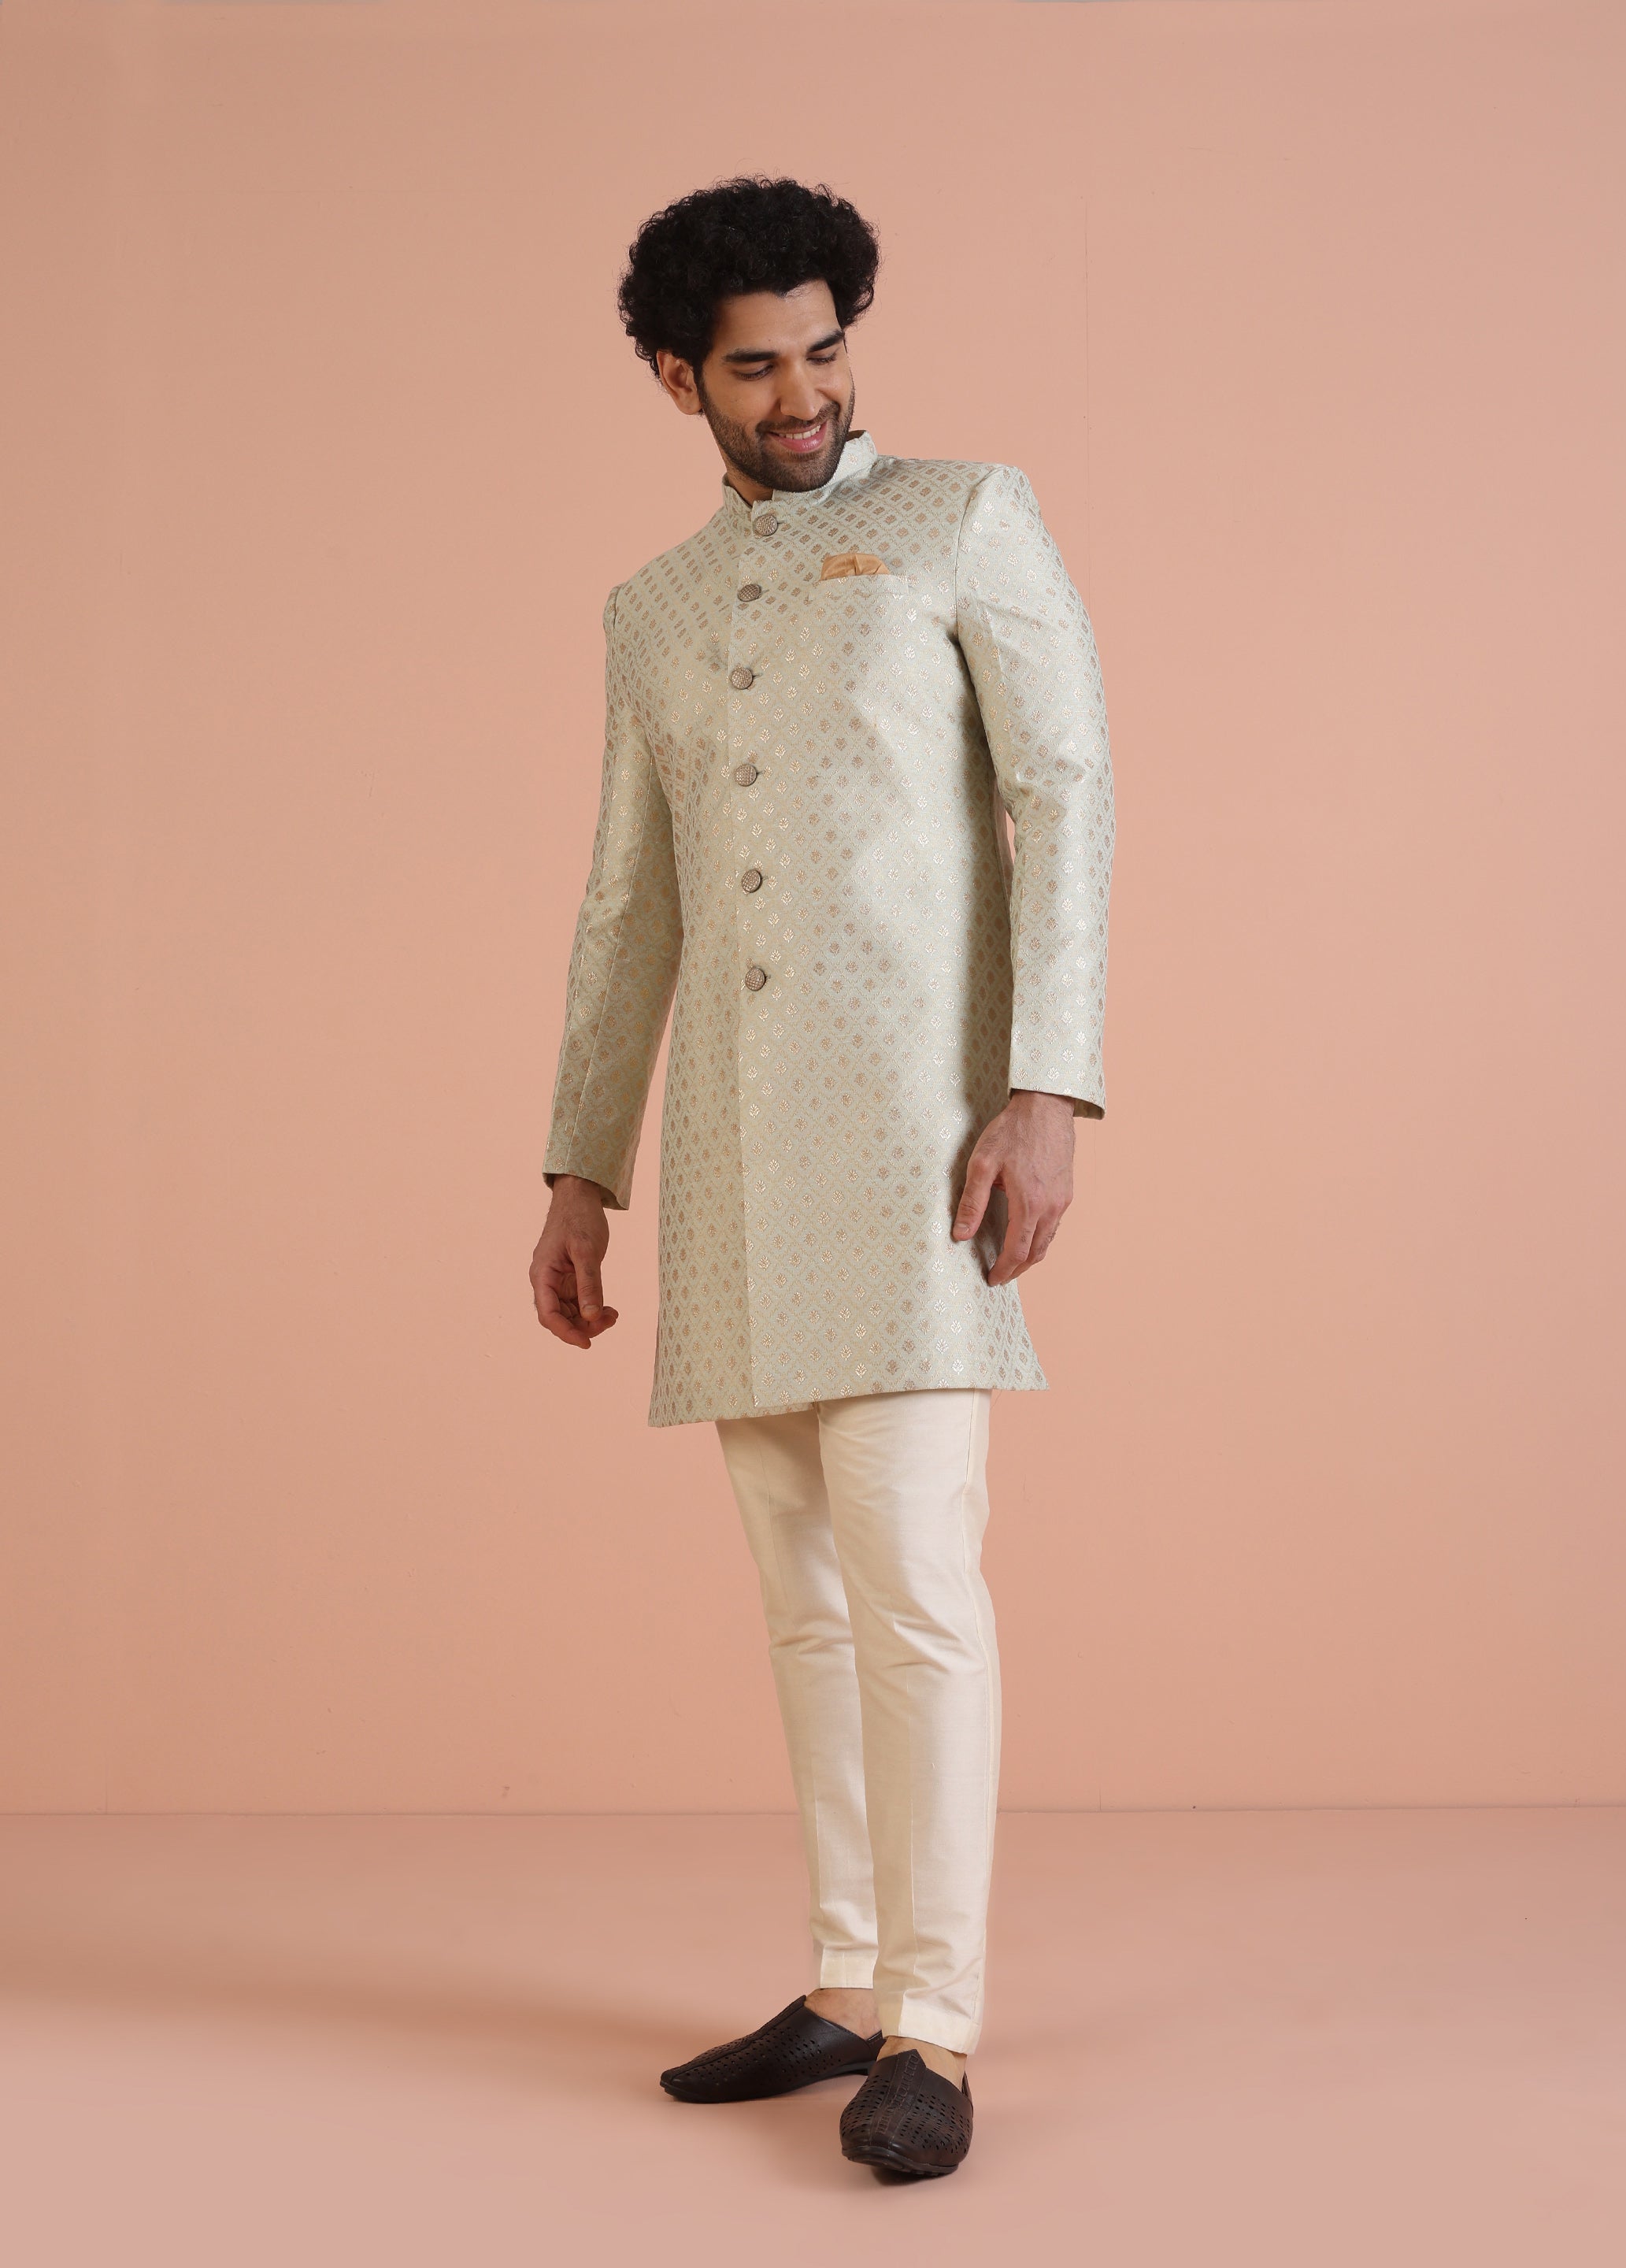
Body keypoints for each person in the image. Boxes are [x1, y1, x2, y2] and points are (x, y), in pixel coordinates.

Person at [530, 176, 1113, 2180]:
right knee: (799, 1600)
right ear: (677, 379)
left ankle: (933, 2027)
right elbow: (628, 903)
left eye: (827, 350)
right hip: (729, 1162)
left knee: (918, 1587)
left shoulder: (963, 518)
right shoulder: (653, 610)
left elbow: (1065, 796)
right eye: (756, 366)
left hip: (921, 1146)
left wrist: (1050, 1089)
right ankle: (848, 1980)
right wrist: (581, 1166)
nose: (803, 395)